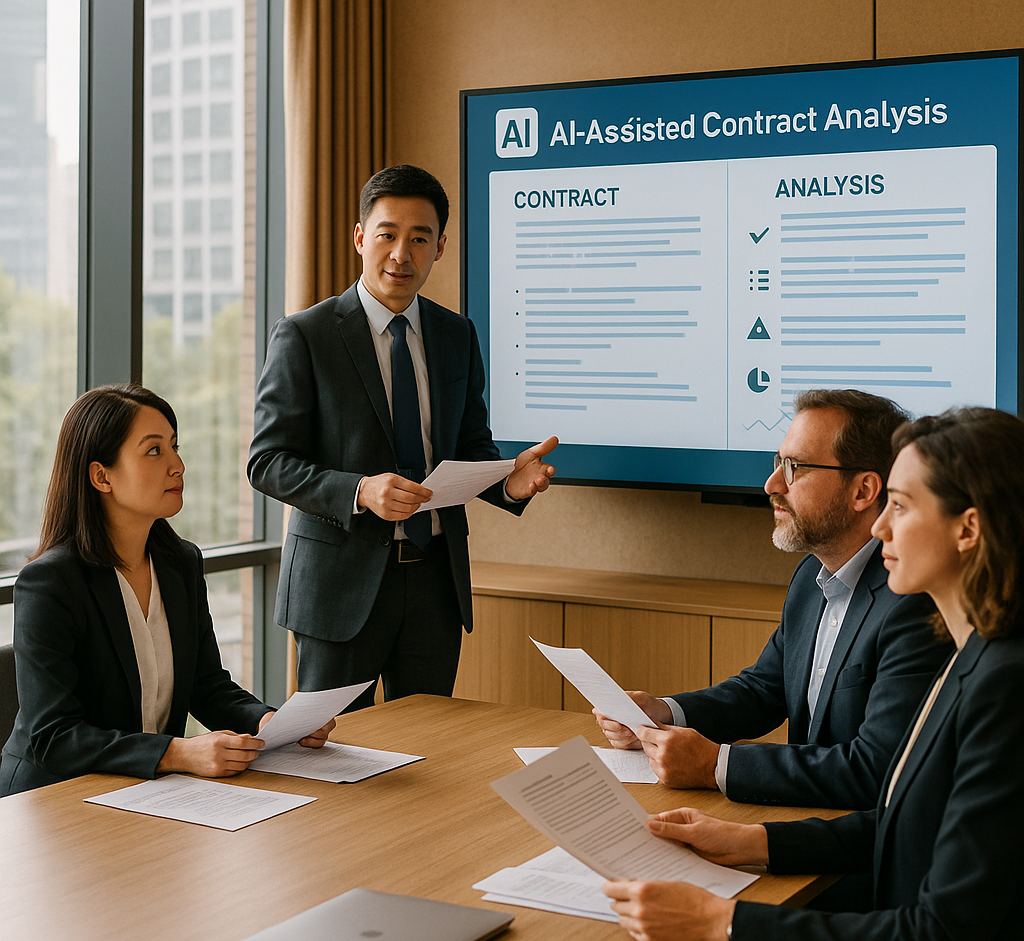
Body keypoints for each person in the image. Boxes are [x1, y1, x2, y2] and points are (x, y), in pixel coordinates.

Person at [603, 406, 1024, 941]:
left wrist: (722, 921)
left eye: (901, 507)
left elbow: (940, 937)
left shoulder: (1003, 683)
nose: (879, 528)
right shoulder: (975, 655)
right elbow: (906, 824)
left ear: (968, 530)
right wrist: (752, 841)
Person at [248, 164, 557, 704]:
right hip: (339, 589)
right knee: (337, 760)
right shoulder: (305, 335)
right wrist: (360, 491)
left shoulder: (456, 333)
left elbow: (467, 450)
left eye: (420, 239)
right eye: (387, 235)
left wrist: (508, 482)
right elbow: (268, 461)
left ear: (439, 248)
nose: (401, 254)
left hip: (435, 582)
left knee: (428, 752)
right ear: (360, 238)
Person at [596, 389, 951, 809]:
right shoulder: (810, 577)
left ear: (863, 491)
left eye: (794, 468)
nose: (771, 485)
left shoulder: (913, 601)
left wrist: (717, 765)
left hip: (854, 849)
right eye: (777, 463)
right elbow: (765, 690)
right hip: (801, 820)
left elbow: (875, 770)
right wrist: (665, 712)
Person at [0, 384, 332, 797]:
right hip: (53, 798)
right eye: (154, 451)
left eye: (175, 447)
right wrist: (177, 753)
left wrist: (268, 723)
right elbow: (53, 737)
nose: (178, 465)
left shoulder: (181, 563)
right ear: (101, 476)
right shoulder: (50, 583)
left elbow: (206, 686)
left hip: (146, 792)